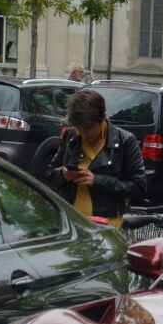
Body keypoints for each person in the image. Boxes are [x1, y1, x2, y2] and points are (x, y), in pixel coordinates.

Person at [45, 89, 144, 227]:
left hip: (107, 226)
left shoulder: (126, 141)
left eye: (89, 128)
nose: (83, 133)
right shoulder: (71, 135)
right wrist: (63, 174)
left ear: (103, 117)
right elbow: (48, 175)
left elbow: (139, 187)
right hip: (71, 223)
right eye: (79, 127)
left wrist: (97, 180)